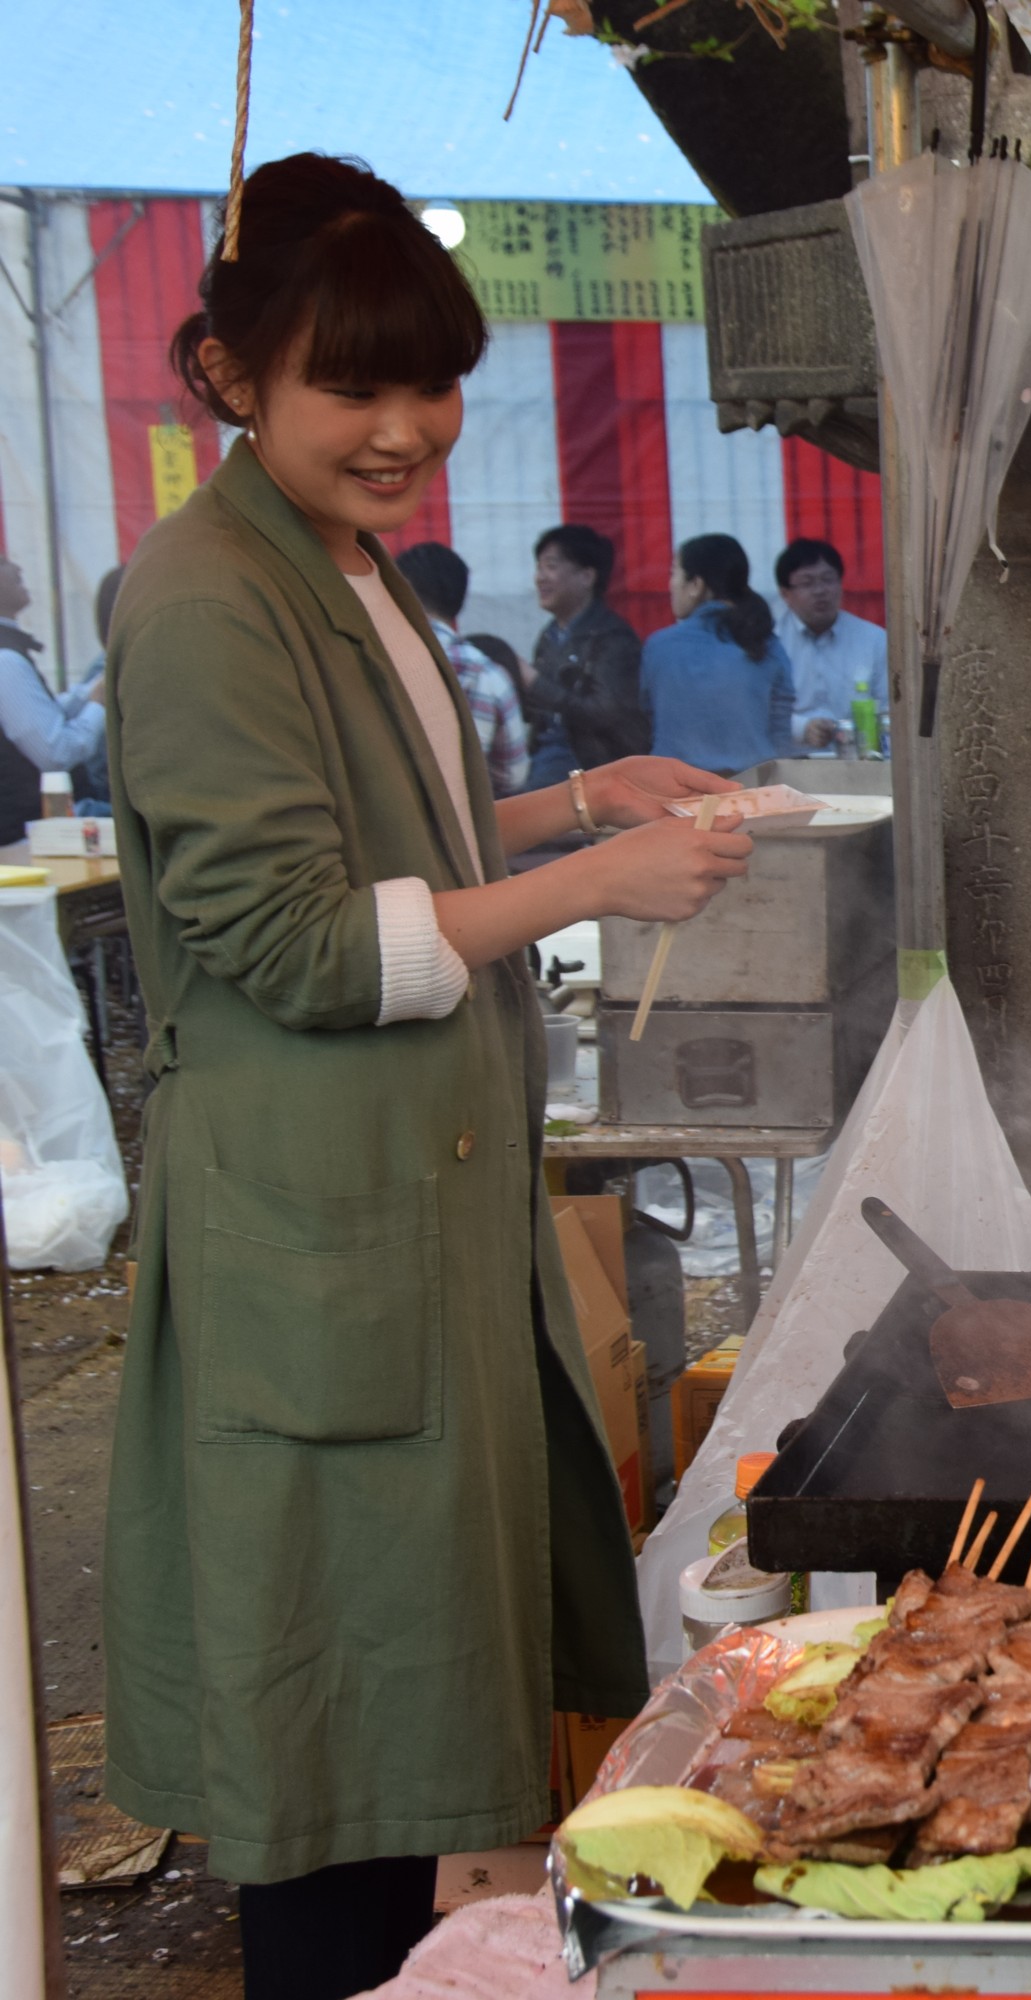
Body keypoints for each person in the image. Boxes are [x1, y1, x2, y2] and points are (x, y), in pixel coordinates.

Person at [98, 152, 749, 2000]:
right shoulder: (207, 596)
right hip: (314, 1222)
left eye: (433, 383)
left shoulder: (339, 559)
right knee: (331, 1743)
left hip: (407, 1202)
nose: (403, 430)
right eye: (352, 386)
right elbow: (300, 943)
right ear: (231, 374)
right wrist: (596, 885)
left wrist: (576, 803)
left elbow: (391, 839)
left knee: (407, 1707)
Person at [641, 533, 797, 774]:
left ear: (696, 585)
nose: (670, 584)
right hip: (753, 788)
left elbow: (647, 720)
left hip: (673, 788)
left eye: (674, 573)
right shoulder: (766, 644)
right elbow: (780, 739)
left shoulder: (659, 646)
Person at [393, 541, 530, 793]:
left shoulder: (374, 659)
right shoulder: (489, 675)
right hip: (471, 812)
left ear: (403, 589)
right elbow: (513, 776)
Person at [523, 521, 647, 790]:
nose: (539, 577)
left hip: (587, 766)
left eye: (550, 566)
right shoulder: (549, 635)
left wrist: (534, 683)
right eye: (538, 568)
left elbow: (606, 712)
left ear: (587, 577)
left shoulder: (613, 637)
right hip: (546, 760)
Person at [0, 551, 106, 828]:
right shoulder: (6, 659)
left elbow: (39, 716)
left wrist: (88, 695)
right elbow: (55, 755)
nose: (17, 567)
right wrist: (100, 703)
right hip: (34, 829)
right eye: (3, 562)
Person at [774, 536, 887, 753]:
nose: (820, 591)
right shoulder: (770, 643)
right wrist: (802, 728)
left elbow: (890, 707)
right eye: (807, 583)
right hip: (791, 762)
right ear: (785, 593)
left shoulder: (874, 639)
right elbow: (760, 712)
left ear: (841, 583)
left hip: (860, 760)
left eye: (828, 579)